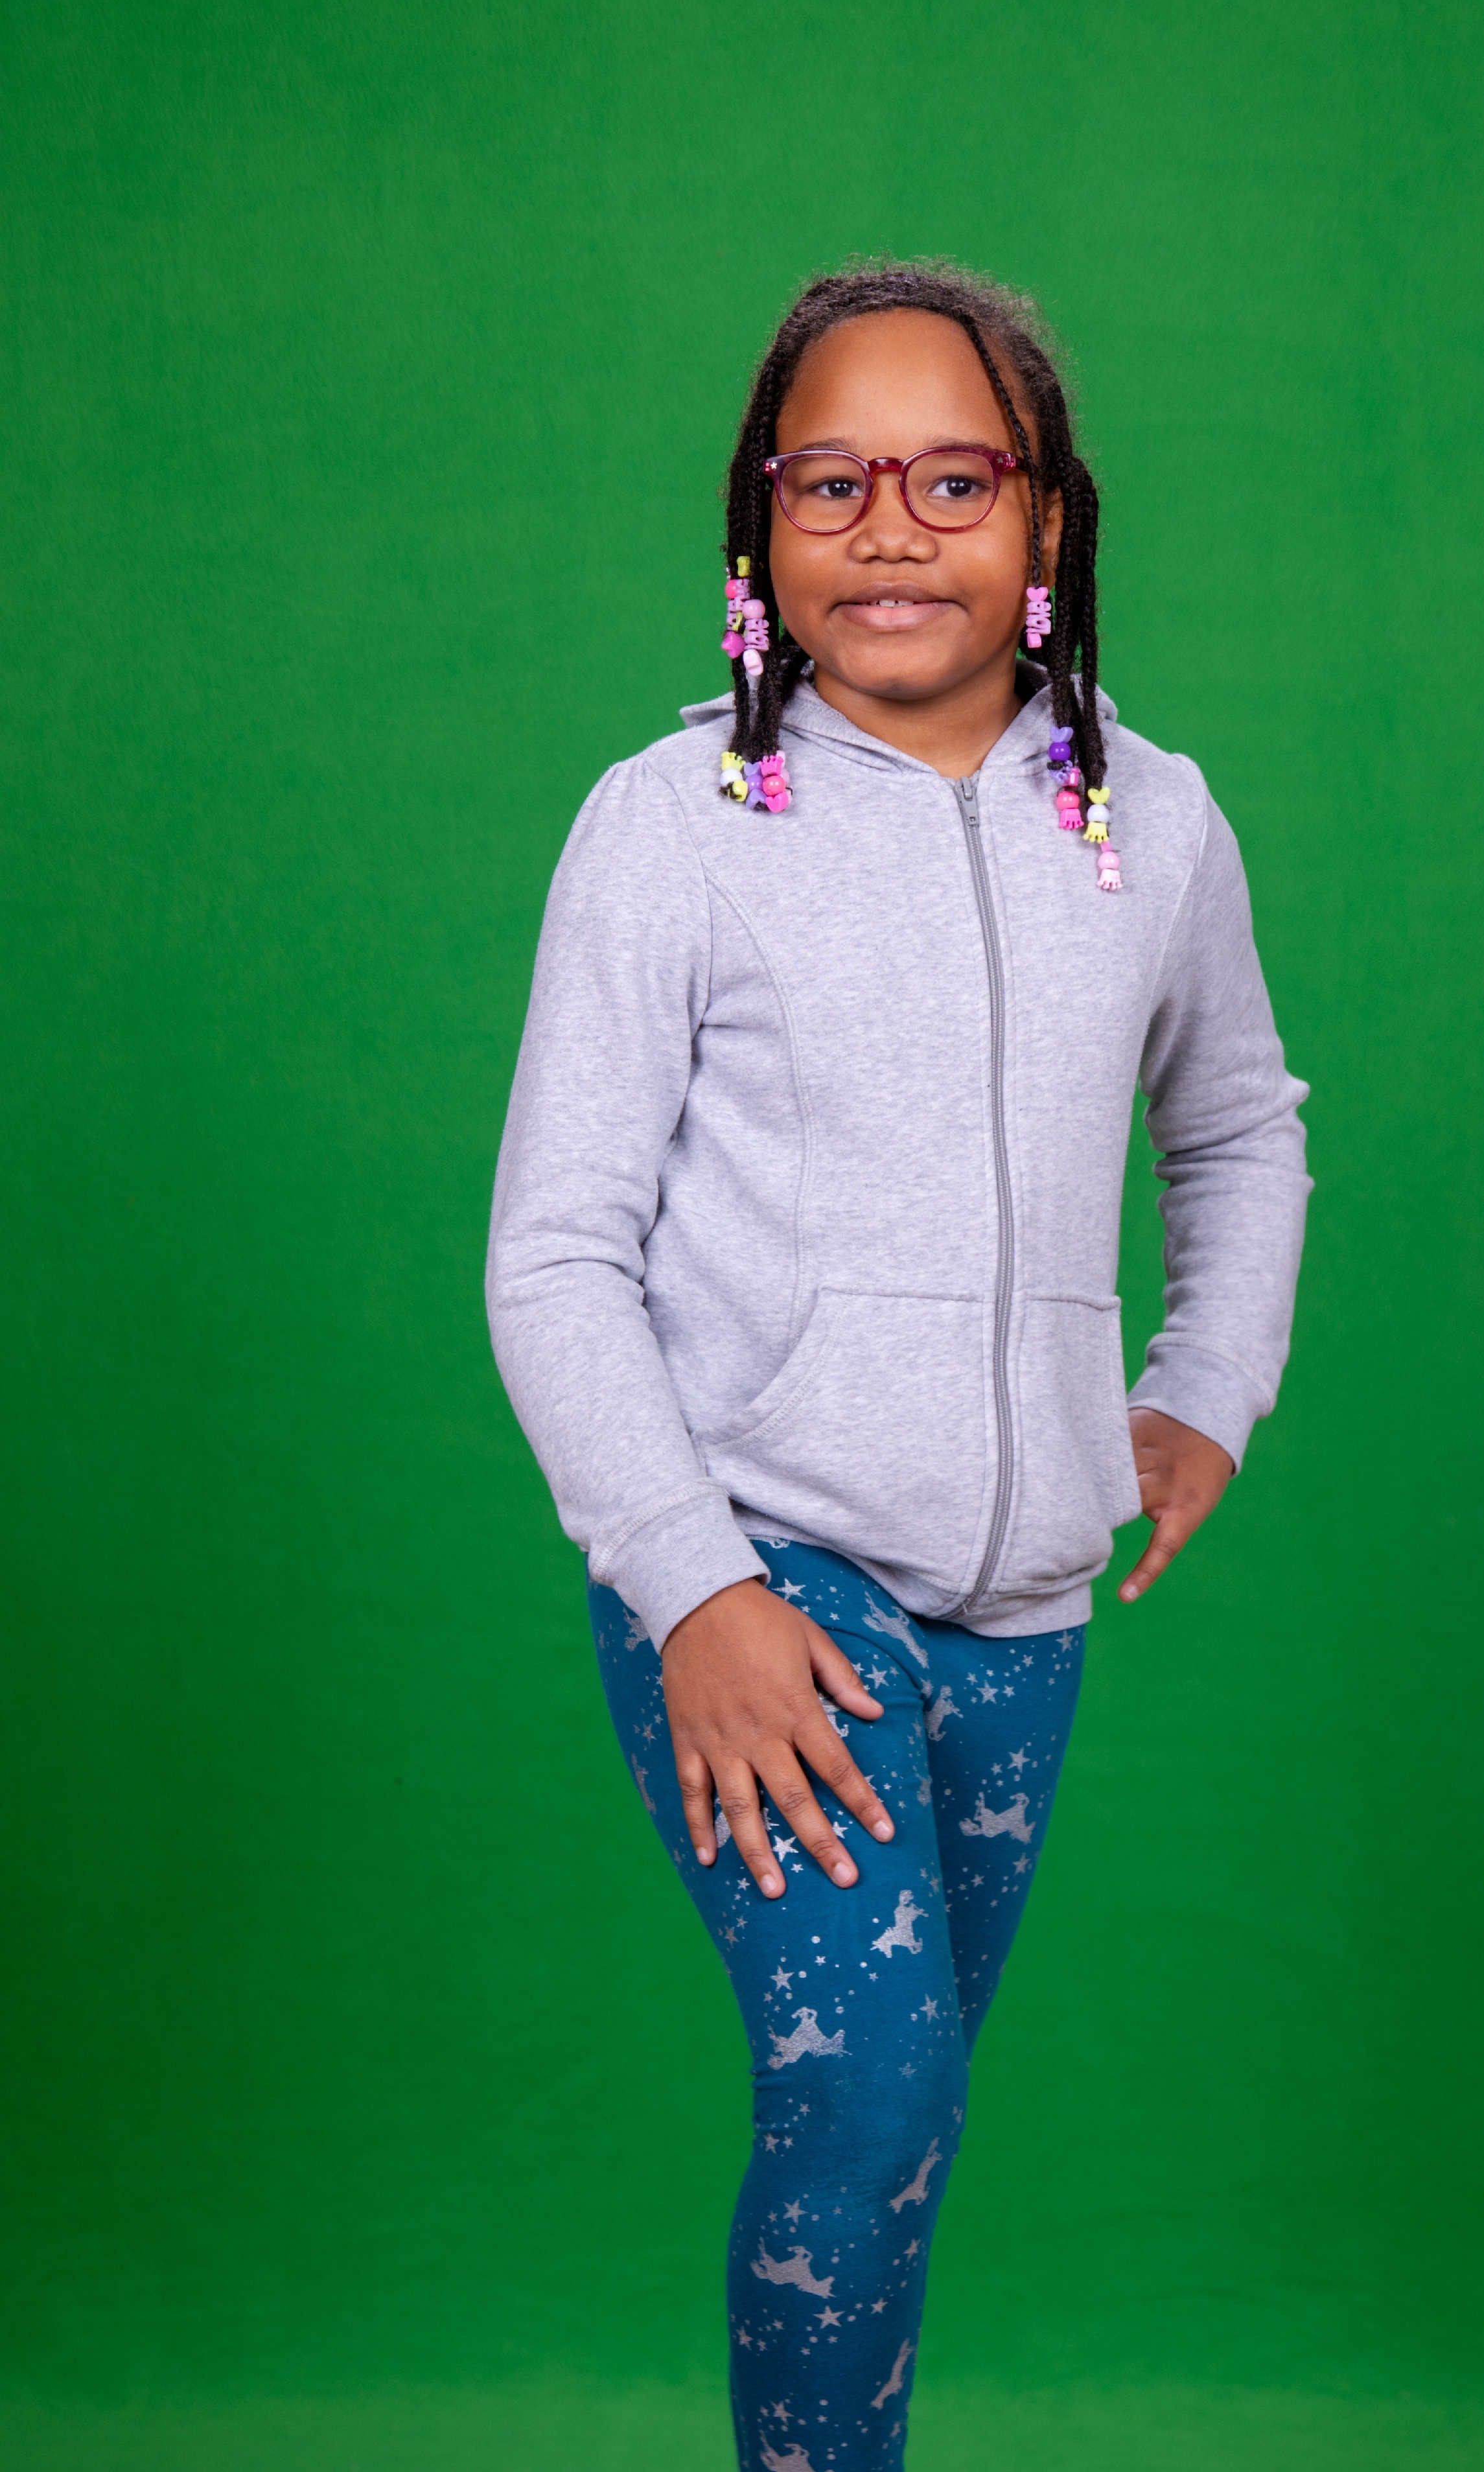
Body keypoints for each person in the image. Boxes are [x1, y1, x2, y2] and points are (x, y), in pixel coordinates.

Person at [487, 261, 1310, 2471]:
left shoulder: (1153, 822)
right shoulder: (672, 824)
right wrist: (695, 1587)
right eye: (828, 481)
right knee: (864, 2089)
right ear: (757, 526)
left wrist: (1204, 1385)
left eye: (955, 481)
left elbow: (1239, 1125)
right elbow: (554, 1251)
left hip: (1026, 1602)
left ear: (1049, 520)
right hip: (763, 1569)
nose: (889, 530)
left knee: (906, 2133)